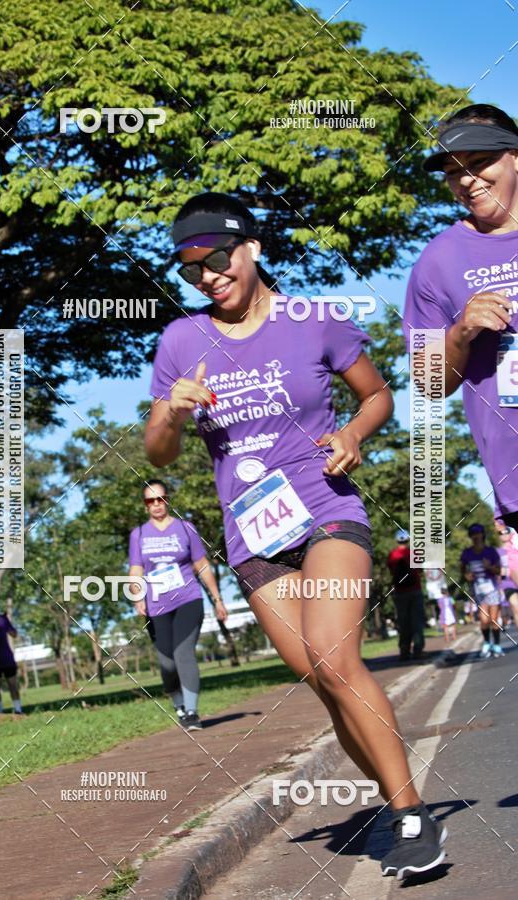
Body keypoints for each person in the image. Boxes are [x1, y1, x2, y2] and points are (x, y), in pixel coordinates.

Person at [144, 192, 447, 879]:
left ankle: (411, 814)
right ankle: (393, 799)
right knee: (321, 677)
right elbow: (159, 450)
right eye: (190, 269)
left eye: (216, 258)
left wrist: (352, 434)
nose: (206, 276)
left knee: (334, 654)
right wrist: (171, 409)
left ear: (249, 247)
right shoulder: (181, 341)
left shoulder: (315, 320)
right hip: (252, 533)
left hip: (325, 507)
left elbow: (377, 394)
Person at [403, 104, 518, 532]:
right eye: (454, 171)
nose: (468, 181)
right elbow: (429, 384)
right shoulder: (438, 261)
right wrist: (459, 334)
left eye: (479, 162)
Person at [128, 479, 228, 731]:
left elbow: (201, 565)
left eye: (160, 499)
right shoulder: (138, 534)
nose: (156, 504)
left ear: (167, 500)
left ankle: (192, 712)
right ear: (145, 506)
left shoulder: (185, 529)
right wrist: (137, 596)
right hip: (157, 605)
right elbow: (135, 569)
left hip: (188, 598)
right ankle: (179, 705)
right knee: (167, 663)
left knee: (183, 653)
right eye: (150, 501)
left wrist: (217, 598)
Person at [460, 523, 503, 658]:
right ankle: (486, 642)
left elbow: (499, 570)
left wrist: (489, 567)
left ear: (483, 535)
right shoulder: (467, 553)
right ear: (470, 536)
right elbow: (463, 569)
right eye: (473, 534)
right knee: (484, 619)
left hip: (492, 588)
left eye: (478, 533)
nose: (476, 536)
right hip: (478, 589)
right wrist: (467, 575)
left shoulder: (490, 551)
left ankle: (496, 644)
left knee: (494, 619)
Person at [387, 529, 426, 661]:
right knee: (417, 622)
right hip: (415, 590)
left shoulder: (392, 555)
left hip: (399, 592)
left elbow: (391, 571)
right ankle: (418, 650)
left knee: (403, 623)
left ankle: (404, 651)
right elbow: (420, 570)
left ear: (397, 540)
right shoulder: (414, 553)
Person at [495, 518, 518, 626]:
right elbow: (497, 572)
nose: (504, 534)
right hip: (508, 583)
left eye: (506, 531)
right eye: (501, 533)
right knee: (516, 608)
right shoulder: (497, 552)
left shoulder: (516, 545)